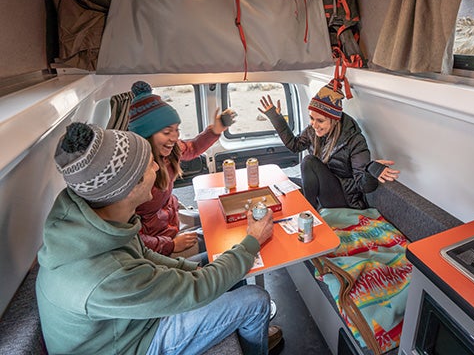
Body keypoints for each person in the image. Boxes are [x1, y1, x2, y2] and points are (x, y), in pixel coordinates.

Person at [36, 122, 282, 354]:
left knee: (218, 257)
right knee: (255, 300)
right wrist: (252, 240)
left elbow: (144, 256)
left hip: (131, 320)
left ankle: (248, 330)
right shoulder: (104, 274)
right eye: (150, 164)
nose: (156, 168)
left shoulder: (99, 222)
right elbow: (196, 288)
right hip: (132, 344)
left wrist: (194, 267)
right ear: (129, 187)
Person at [127, 80, 236, 260]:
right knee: (223, 246)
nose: (174, 137)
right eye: (166, 132)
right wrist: (171, 245)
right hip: (158, 241)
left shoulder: (170, 151)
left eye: (176, 130)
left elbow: (192, 148)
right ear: (145, 134)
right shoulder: (134, 175)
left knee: (219, 219)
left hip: (170, 219)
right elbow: (129, 237)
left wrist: (216, 130)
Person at [259, 81, 399, 210]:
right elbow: (295, 146)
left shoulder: (355, 140)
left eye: (320, 120)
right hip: (322, 187)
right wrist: (276, 118)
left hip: (343, 196)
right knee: (283, 183)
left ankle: (310, 210)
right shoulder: (312, 131)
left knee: (308, 161)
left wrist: (371, 169)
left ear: (335, 120)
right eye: (312, 118)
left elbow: (363, 185)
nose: (314, 124)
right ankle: (309, 204)